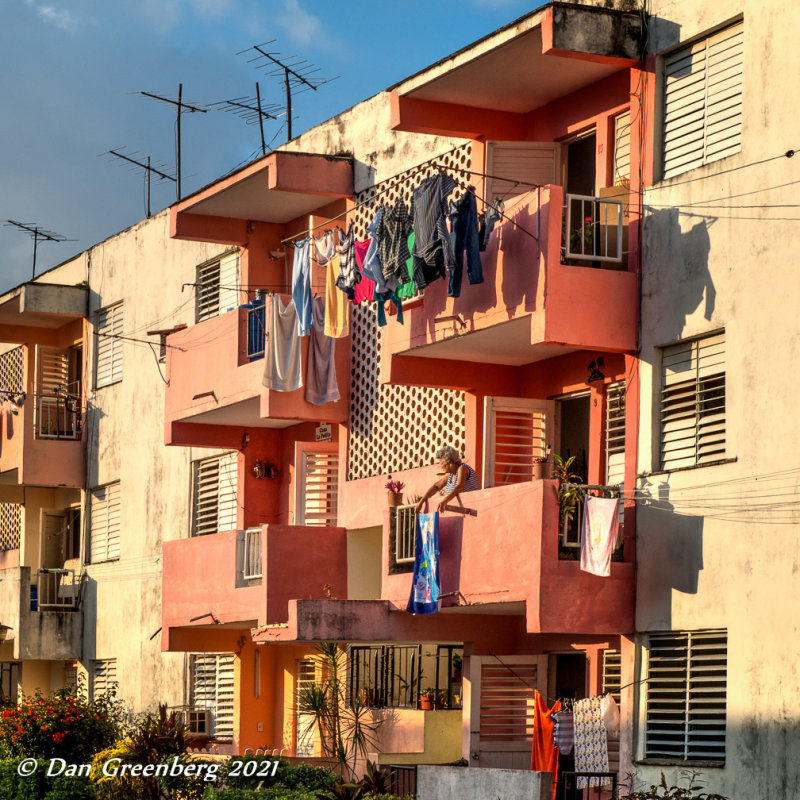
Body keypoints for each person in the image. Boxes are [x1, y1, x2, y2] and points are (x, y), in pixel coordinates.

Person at [415, 446, 480, 514]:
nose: (441, 466)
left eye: (442, 463)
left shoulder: (462, 468)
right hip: (456, 514)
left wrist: (445, 500)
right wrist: (421, 502)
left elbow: (460, 486)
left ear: (450, 462)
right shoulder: (450, 475)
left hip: (469, 511)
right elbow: (436, 487)